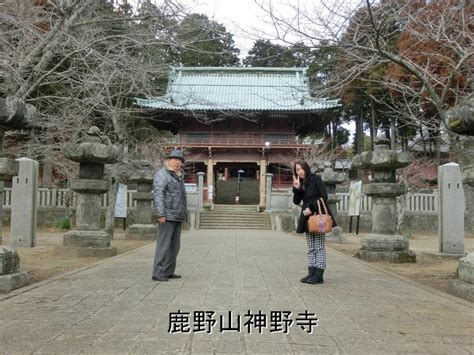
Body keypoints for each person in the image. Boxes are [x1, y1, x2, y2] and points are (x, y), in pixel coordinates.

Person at [292, 160, 336, 284]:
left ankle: (319, 275)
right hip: (307, 218)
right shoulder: (300, 182)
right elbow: (296, 201)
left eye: (300, 168)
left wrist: (311, 208)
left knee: (319, 246)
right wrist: (297, 189)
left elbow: (324, 196)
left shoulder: (316, 179)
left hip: (319, 216)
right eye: (297, 170)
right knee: (311, 247)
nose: (299, 172)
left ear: (306, 168)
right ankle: (311, 273)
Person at [151, 149, 188, 282]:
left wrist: (185, 214)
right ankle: (157, 272)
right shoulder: (163, 174)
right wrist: (161, 213)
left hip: (177, 215)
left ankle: (168, 271)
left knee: (174, 246)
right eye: (175, 160)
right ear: (168, 161)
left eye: (179, 161)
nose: (177, 162)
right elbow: (158, 194)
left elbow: (182, 198)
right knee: (163, 245)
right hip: (167, 215)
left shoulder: (179, 175)